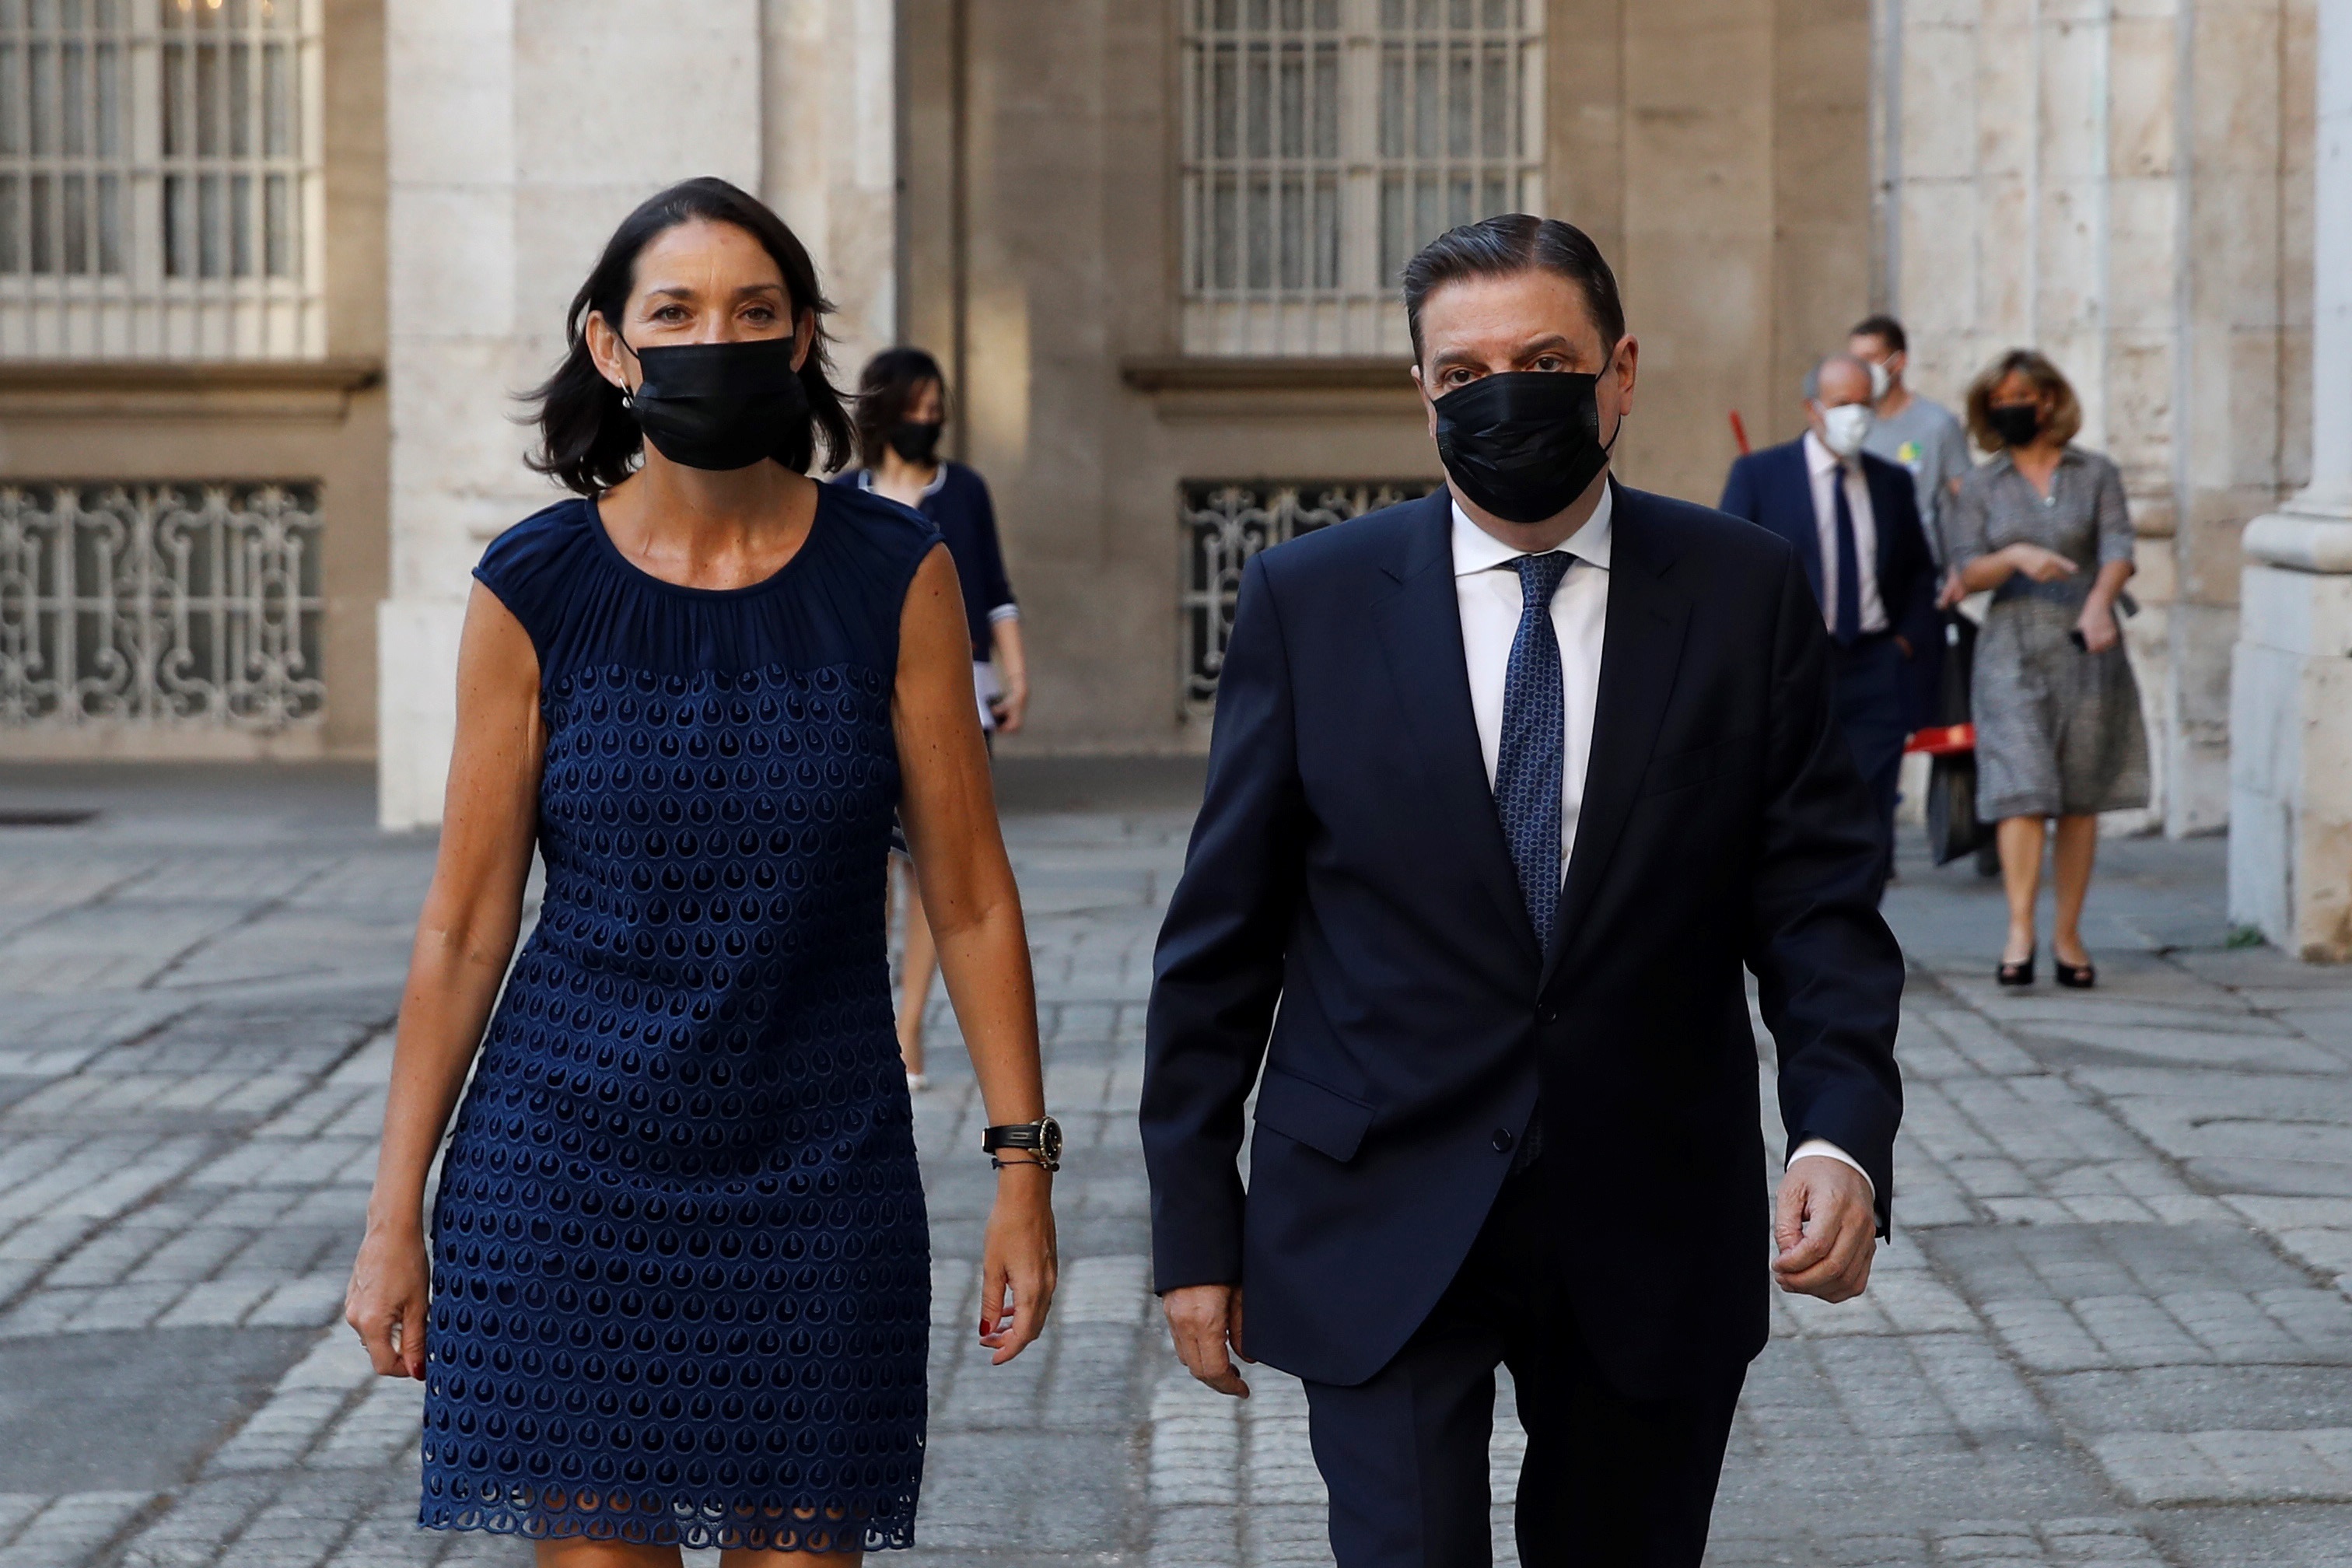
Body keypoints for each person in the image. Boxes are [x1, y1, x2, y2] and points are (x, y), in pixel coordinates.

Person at [1141, 215, 1904, 1568]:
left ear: (1619, 373)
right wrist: (1196, 1229)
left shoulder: (1741, 593)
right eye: (1463, 372)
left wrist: (1836, 1136)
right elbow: (1221, 941)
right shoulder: (1309, 600)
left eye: (1544, 362)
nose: (1503, 395)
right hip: (1373, 1201)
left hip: (1651, 1209)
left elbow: (1815, 909)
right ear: (1422, 394)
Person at [341, 177, 1060, 1566]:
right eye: (673, 312)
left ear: (801, 340)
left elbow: (969, 896)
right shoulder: (532, 587)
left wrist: (1022, 1171)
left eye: (753, 310)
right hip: (563, 1179)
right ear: (610, 345)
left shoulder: (896, 572)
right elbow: (464, 927)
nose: (713, 339)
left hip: (821, 1177)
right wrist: (394, 1218)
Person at [835, 348, 1026, 1090]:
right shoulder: (842, 497)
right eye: (914, 406)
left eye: (934, 406)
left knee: (934, 864)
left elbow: (995, 589)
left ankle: (909, 1026)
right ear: (883, 410)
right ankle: (873, 1018)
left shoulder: (964, 490)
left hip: (959, 693)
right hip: (856, 697)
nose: (927, 418)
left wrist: (1018, 674)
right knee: (868, 867)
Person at [1946, 348, 2148, 988]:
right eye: (1999, 400)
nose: (2011, 408)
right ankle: (2019, 930)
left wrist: (2099, 605)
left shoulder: (2095, 472)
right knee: (2022, 789)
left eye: (2021, 398)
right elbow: (1965, 568)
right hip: (2011, 646)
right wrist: (2016, 556)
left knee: (2080, 794)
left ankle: (2068, 935)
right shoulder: (1982, 484)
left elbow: (2119, 546)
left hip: (2088, 643)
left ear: (2049, 401)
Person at [1719, 355, 1942, 901]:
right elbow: (1729, 571)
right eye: (1843, 404)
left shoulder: (1891, 482)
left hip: (1875, 664)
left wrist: (1904, 643)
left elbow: (1918, 572)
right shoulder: (1761, 475)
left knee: (1871, 807)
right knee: (1795, 801)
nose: (1856, 416)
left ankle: (1858, 920)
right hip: (1795, 666)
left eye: (1866, 404)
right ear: (1812, 408)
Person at [1849, 313, 1973, 597]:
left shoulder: (1937, 424)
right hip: (1859, 572)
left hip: (1920, 574)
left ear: (1899, 361)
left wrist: (1961, 569)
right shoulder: (1851, 427)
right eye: (1855, 361)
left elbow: (1966, 499)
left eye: (1870, 358)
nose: (1862, 370)